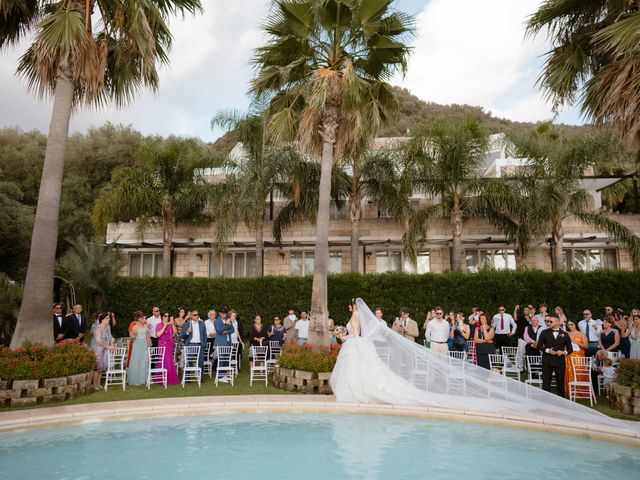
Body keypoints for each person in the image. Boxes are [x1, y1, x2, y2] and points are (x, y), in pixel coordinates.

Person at [538, 314, 573, 397]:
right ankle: (545, 400)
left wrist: (564, 352)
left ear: (557, 322)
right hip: (547, 360)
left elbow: (570, 349)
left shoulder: (565, 334)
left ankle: (561, 401)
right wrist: (548, 350)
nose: (548, 323)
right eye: (547, 321)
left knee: (560, 382)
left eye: (550, 321)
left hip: (559, 360)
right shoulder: (544, 332)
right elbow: (539, 345)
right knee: (546, 382)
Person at [564, 319, 589, 398]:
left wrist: (574, 341)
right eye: (568, 324)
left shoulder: (581, 334)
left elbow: (586, 346)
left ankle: (580, 391)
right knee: (568, 373)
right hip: (567, 356)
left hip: (578, 357)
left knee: (578, 373)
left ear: (575, 324)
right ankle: (569, 391)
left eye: (572, 324)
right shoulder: (565, 333)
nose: (570, 326)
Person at [92, 312, 115, 390]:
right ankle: (94, 385)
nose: (109, 320)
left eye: (109, 318)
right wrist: (108, 346)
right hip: (98, 349)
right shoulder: (98, 327)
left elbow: (111, 336)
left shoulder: (107, 327)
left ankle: (98, 384)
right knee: (97, 367)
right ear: (102, 320)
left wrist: (112, 343)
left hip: (105, 349)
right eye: (107, 318)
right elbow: (98, 340)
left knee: (102, 367)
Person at [128, 311, 150, 386]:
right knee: (137, 361)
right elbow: (132, 339)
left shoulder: (145, 326)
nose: (145, 319)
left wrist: (149, 347)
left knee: (144, 361)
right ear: (139, 319)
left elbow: (147, 337)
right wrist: (133, 336)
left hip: (144, 345)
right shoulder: (135, 327)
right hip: (137, 345)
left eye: (145, 318)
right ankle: (136, 379)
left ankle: (144, 379)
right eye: (143, 318)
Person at [156, 312, 179, 385]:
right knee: (162, 360)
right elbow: (158, 335)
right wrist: (164, 326)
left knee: (169, 360)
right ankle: (161, 378)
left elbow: (175, 332)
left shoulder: (170, 325)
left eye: (168, 316)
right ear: (162, 317)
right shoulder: (159, 325)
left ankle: (170, 379)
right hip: (162, 344)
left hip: (169, 344)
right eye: (165, 316)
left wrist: (172, 324)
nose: (167, 317)